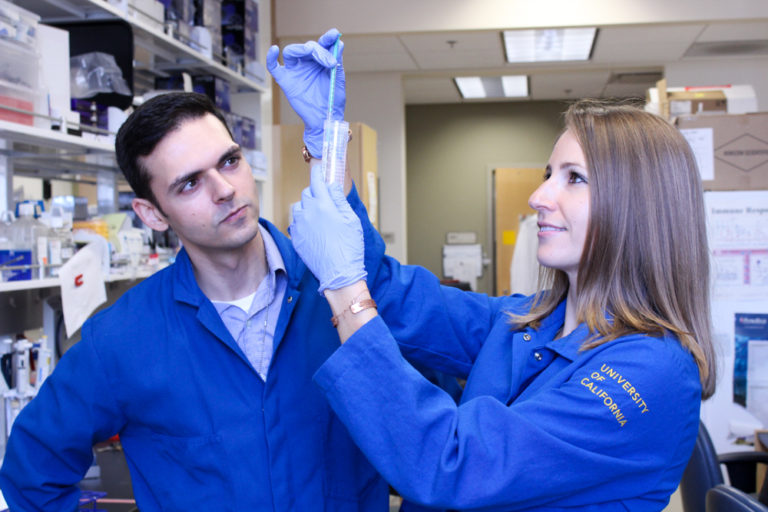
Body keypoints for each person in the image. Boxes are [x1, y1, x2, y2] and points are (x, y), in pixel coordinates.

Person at [0, 31, 390, 510]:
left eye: (230, 161)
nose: (225, 189)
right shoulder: (122, 339)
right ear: (152, 215)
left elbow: (434, 426)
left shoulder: (341, 292)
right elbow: (31, 474)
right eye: (189, 184)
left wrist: (328, 140)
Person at [288, 97, 717, 510]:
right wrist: (329, 144)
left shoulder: (651, 371)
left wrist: (345, 288)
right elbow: (395, 295)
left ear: (637, 206)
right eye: (549, 173)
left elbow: (452, 463)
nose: (538, 197)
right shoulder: (531, 319)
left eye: (575, 177)